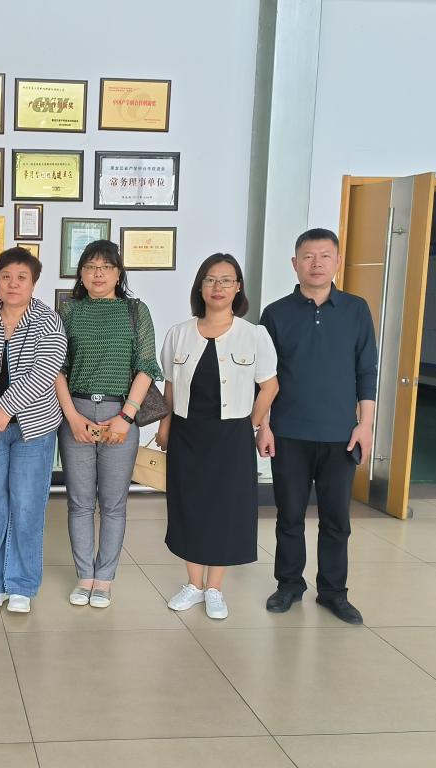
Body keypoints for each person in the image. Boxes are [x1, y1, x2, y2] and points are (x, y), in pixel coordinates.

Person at [258, 228, 377, 625]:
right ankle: (289, 584)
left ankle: (333, 592)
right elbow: (264, 377)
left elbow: (366, 371)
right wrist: (264, 426)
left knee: (336, 519)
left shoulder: (357, 310)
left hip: (341, 435)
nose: (316, 263)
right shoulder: (276, 314)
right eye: (308, 256)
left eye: (325, 256)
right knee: (289, 515)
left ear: (337, 262)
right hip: (288, 432)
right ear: (295, 263)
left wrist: (365, 425)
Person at [156, 254, 279, 620]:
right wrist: (164, 425)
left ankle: (214, 589)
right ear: (200, 287)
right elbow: (170, 386)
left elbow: (270, 386)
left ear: (238, 287)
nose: (218, 287)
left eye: (226, 280)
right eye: (210, 280)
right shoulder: (179, 333)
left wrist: (251, 423)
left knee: (225, 508)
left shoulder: (253, 334)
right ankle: (194, 584)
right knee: (189, 506)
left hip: (231, 436)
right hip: (187, 432)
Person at [55, 240, 163, 609]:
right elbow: (58, 368)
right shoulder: (69, 312)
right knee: (79, 503)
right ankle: (84, 576)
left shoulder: (135, 310)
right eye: (90, 266)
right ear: (81, 274)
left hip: (121, 413)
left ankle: (104, 579)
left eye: (106, 266)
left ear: (119, 273)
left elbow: (146, 366)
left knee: (114, 504)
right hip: (77, 413)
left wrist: (126, 417)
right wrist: (72, 417)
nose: (98, 273)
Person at [0, 248, 66, 614]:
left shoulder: (48, 320)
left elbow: (44, 372)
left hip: (34, 428)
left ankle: (22, 584)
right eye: (6, 277)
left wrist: (6, 408)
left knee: (27, 506)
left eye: (21, 278)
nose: (13, 284)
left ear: (33, 282)